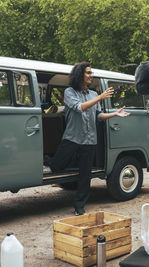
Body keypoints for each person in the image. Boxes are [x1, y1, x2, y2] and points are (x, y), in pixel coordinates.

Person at [43, 62, 130, 216]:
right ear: (80, 74)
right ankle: (48, 160)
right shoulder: (70, 92)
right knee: (56, 166)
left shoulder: (93, 94)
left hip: (90, 141)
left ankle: (79, 207)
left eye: (91, 73)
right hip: (72, 138)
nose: (91, 75)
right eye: (88, 73)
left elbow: (98, 116)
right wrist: (101, 97)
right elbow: (79, 107)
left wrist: (114, 114)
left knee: (85, 176)